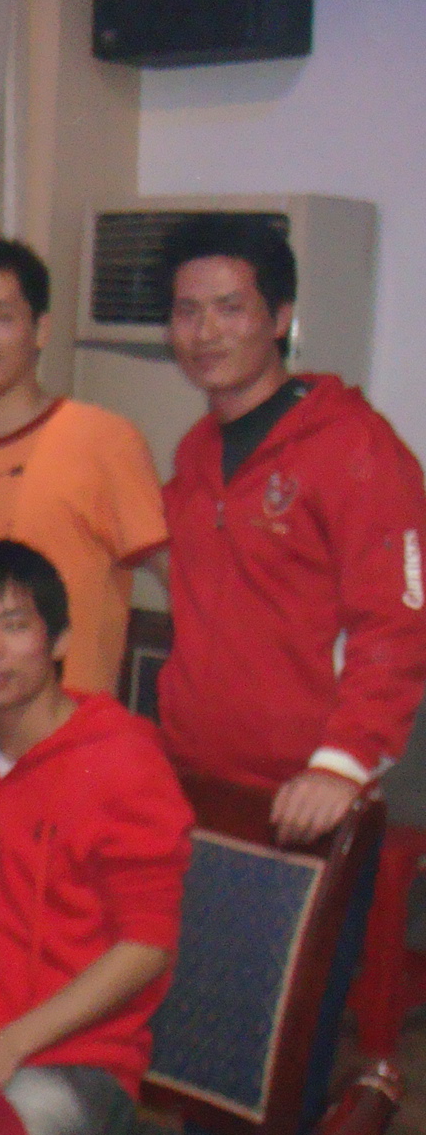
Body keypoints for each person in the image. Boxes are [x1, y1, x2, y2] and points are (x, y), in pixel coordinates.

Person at [0, 540, 192, 1135]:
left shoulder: (122, 762)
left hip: (76, 1062)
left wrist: (9, 1046)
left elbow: (147, 947)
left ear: (61, 639)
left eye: (13, 625)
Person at [153, 214, 426, 844]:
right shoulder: (197, 453)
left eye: (230, 308)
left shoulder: (354, 446)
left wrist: (342, 764)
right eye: (188, 311)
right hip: (200, 784)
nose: (206, 332)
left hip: (313, 797)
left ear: (279, 319)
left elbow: (396, 620)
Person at [0, 237, 167, 710]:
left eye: (0, 316)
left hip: (67, 734)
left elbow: (182, 587)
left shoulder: (105, 442)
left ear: (40, 329)